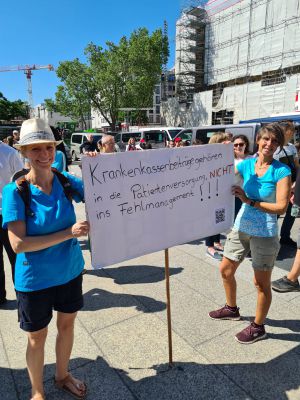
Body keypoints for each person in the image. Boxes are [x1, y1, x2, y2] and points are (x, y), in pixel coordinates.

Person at [2, 118, 90, 399]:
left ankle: (62, 375)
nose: (44, 155)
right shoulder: (15, 192)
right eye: (35, 149)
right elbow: (18, 244)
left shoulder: (66, 180)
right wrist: (69, 233)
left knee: (66, 325)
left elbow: (104, 192)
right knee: (36, 336)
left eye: (49, 147)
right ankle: (37, 391)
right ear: (24, 153)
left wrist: (100, 164)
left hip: (70, 270)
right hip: (34, 279)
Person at [209, 123, 291, 344]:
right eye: (266, 139)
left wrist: (249, 200)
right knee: (225, 269)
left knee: (260, 283)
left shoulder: (281, 171)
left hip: (265, 231)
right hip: (241, 226)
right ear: (258, 140)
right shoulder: (247, 165)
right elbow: (218, 173)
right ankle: (231, 308)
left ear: (279, 145)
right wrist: (220, 150)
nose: (269, 144)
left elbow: (281, 207)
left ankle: (258, 326)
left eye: (275, 141)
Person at [0, 141, 23, 305]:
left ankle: (22, 297)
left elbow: (21, 180)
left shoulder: (9, 153)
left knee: (16, 258)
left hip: (7, 213)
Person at [205, 132, 231, 260]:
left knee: (219, 218)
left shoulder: (225, 156)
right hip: (210, 193)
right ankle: (209, 246)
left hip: (222, 193)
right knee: (210, 220)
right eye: (224, 142)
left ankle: (217, 242)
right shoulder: (209, 157)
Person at [273, 120, 299, 248]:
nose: (292, 133)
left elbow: (296, 165)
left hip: (294, 185)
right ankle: (271, 237)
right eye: (290, 131)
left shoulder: (292, 147)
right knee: (276, 213)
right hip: (280, 186)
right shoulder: (274, 148)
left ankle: (285, 236)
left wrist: (296, 182)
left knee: (292, 212)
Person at [233, 134, 250, 217]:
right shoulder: (229, 160)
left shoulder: (252, 158)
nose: (238, 146)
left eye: (241, 144)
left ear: (245, 145)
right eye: (235, 145)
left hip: (250, 196)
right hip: (235, 196)